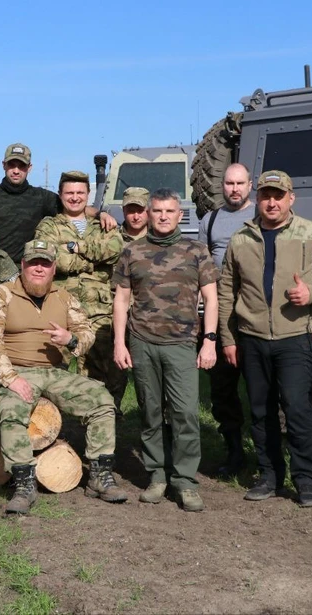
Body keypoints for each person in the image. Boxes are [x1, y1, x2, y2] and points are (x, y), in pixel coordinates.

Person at [217, 170, 312, 508]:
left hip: (295, 338)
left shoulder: (311, 233)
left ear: (291, 198)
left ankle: (305, 480)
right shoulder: (241, 239)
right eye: (266, 196)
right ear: (257, 199)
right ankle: (269, 476)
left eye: (278, 196)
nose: (271, 202)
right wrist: (228, 339)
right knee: (260, 411)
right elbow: (227, 291)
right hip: (252, 339)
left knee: (298, 409)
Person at [0, 240, 127, 515]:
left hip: (56, 372)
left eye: (44, 263)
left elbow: (86, 332)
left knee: (102, 400)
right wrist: (10, 378)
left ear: (53, 268)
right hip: (18, 371)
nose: (39, 268)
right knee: (10, 409)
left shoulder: (64, 297)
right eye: (33, 263)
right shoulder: (2, 294)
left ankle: (100, 475)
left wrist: (71, 339)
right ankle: (24, 483)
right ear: (22, 265)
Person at [112, 188, 219, 512]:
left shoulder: (196, 251)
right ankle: (157, 476)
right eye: (157, 211)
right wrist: (119, 342)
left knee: (185, 413)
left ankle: (185, 481)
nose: (163, 216)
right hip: (142, 342)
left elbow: (211, 298)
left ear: (180, 215)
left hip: (182, 344)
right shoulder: (132, 251)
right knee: (151, 412)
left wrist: (209, 340)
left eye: (169, 211)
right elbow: (121, 299)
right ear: (148, 214)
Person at [35, 171, 126, 412]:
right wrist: (93, 262)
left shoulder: (104, 224)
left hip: (100, 311)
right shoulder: (49, 226)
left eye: (80, 193)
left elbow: (115, 250)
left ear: (88, 195)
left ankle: (107, 418)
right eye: (69, 193)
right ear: (60, 195)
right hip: (61, 309)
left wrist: (75, 247)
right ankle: (52, 422)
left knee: (107, 371)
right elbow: (51, 259)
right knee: (53, 370)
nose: (75, 197)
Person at [0, 144, 116, 263]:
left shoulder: (42, 197)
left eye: (21, 166)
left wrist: (100, 214)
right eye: (11, 165)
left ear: (29, 167)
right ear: (3, 165)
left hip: (26, 269)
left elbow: (73, 205)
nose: (16, 170)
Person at [196, 163, 255, 478]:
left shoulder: (262, 214)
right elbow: (201, 265)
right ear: (223, 186)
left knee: (262, 390)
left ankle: (266, 453)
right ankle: (234, 453)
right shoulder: (211, 220)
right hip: (220, 317)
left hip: (256, 315)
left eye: (240, 183)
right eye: (229, 183)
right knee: (222, 390)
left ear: (250, 185)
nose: (234, 189)